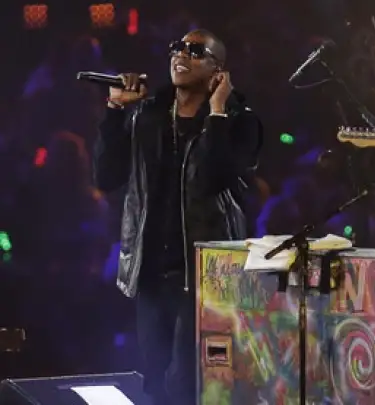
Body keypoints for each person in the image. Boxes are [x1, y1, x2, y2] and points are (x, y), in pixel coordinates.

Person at [92, 29, 263, 405]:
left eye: (195, 51)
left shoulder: (240, 121)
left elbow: (212, 178)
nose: (181, 55)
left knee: (189, 382)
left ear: (218, 70)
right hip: (152, 271)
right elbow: (106, 176)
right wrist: (116, 111)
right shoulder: (148, 115)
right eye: (177, 48)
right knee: (155, 383)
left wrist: (217, 113)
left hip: (206, 276)